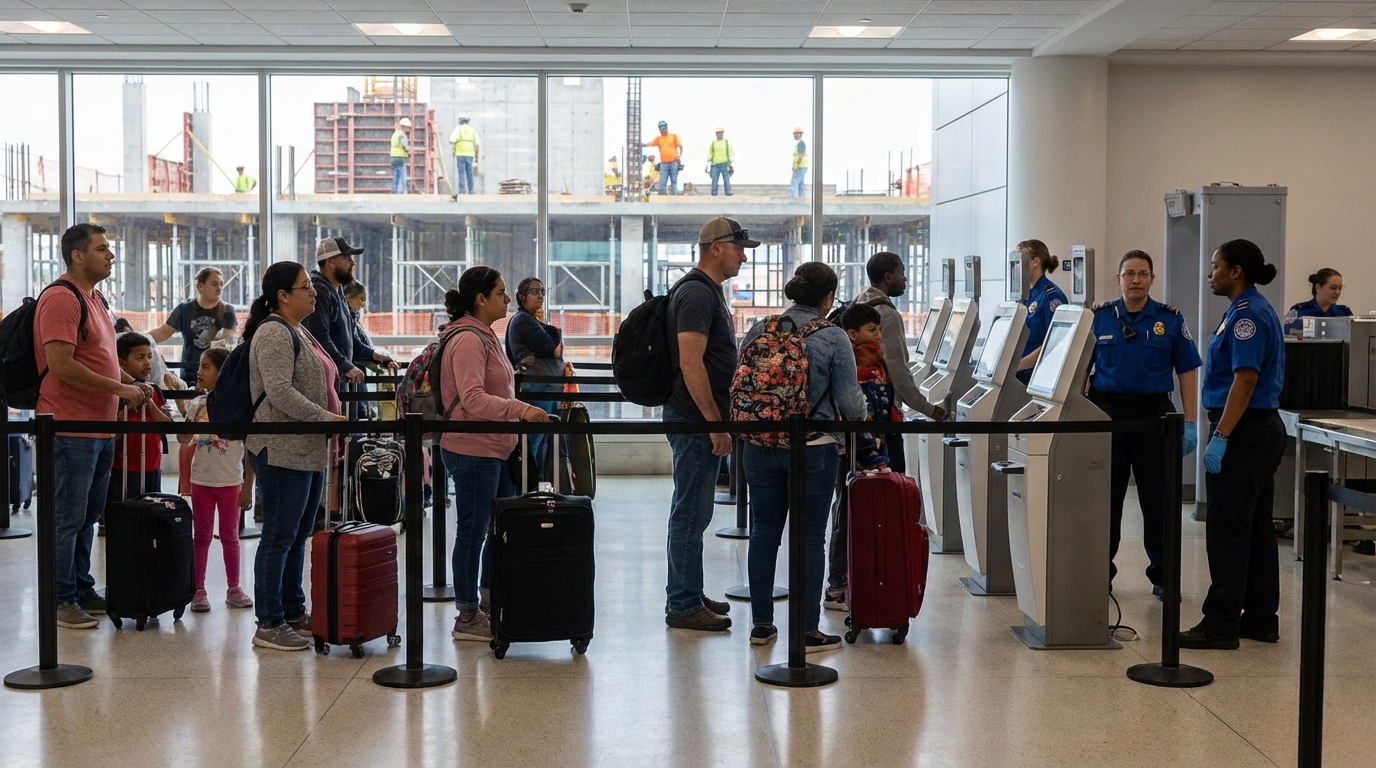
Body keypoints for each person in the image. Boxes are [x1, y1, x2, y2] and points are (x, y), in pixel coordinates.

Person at [739, 263, 867, 652]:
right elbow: (851, 405)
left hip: (759, 446)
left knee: (763, 534)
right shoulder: (833, 336)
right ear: (828, 297)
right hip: (813, 449)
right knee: (810, 538)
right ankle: (807, 631)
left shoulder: (762, 328)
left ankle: (762, 625)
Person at [35, 223, 154, 629]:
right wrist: (120, 387)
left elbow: (101, 358)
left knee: (87, 515)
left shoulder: (97, 298)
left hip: (100, 430)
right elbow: (61, 365)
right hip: (70, 429)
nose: (111, 255)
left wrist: (130, 384)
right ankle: (60, 597)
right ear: (77, 255)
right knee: (66, 518)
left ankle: (81, 587)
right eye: (102, 249)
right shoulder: (60, 298)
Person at [1179, 239, 1286, 650]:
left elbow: (1245, 379)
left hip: (1244, 431)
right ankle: (1260, 617)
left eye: (1215, 266)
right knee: (1256, 527)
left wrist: (1220, 436)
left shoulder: (1248, 316)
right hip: (1257, 429)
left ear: (1236, 271)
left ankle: (1220, 624)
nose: (1210, 274)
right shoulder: (1247, 310)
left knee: (1228, 529)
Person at [438, 267, 551, 642]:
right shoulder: (469, 339)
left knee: (491, 530)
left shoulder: (485, 335)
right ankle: (467, 615)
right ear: (480, 299)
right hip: (472, 451)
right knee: (471, 533)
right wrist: (520, 410)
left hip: (493, 449)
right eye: (500, 293)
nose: (507, 299)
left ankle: (487, 600)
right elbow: (472, 398)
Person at [1087, 250, 1203, 601]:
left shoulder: (1169, 320)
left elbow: (1186, 371)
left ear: (1152, 279)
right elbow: (1080, 370)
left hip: (1155, 418)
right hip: (1108, 416)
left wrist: (1190, 423)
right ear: (1118, 279)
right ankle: (1099, 573)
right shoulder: (1099, 319)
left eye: (1142, 274)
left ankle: (1164, 575)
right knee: (1105, 502)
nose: (1135, 280)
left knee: (1159, 504)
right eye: (1129, 274)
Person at [245, 261, 348, 651]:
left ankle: (292, 610)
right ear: (282, 295)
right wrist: (328, 418)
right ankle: (268, 621)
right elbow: (279, 392)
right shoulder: (273, 332)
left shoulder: (299, 330)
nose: (314, 292)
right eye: (305, 287)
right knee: (278, 536)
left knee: (298, 534)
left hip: (307, 449)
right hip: (282, 450)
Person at [662, 216, 754, 632]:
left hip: (696, 417)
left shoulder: (706, 292)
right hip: (694, 419)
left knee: (695, 511)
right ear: (715, 247)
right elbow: (690, 362)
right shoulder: (697, 295)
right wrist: (714, 423)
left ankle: (690, 592)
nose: (743, 257)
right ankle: (682, 604)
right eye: (739, 248)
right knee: (690, 511)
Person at [823, 302, 898, 611]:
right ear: (851, 334)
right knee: (845, 513)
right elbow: (857, 412)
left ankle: (861, 580)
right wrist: (870, 454)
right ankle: (837, 586)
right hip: (856, 452)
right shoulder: (854, 363)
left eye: (878, 330)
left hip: (872, 448)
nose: (877, 335)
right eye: (870, 330)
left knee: (857, 514)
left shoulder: (874, 360)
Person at [850, 251, 945, 474]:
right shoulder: (887, 314)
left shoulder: (859, 302)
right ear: (888, 277)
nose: (905, 280)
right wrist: (930, 410)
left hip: (859, 413)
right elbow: (897, 369)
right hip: (884, 418)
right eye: (901, 273)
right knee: (891, 481)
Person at [178, 346, 253, 613]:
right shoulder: (197, 405)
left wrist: (248, 487)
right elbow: (183, 440)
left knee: (231, 536)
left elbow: (250, 449)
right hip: (202, 481)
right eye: (200, 367)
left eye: (206, 367)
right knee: (201, 536)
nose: (199, 372)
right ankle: (199, 589)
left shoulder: (239, 409)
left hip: (230, 482)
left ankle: (234, 586)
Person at [304, 237, 396, 389]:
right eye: (347, 258)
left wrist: (376, 356)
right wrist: (346, 366)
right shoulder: (320, 292)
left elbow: (348, 338)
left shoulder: (337, 289)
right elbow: (319, 338)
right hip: (325, 382)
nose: (352, 263)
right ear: (330, 263)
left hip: (337, 379)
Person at [504, 277, 564, 480]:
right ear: (521, 296)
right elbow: (550, 347)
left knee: (540, 442)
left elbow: (553, 347)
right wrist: (555, 333)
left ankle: (535, 486)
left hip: (545, 387)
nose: (540, 296)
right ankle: (526, 488)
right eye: (534, 291)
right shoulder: (523, 320)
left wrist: (552, 337)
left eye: (542, 291)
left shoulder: (531, 320)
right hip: (536, 388)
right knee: (533, 440)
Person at [148, 266, 238, 387]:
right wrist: (140, 338)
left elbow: (229, 339)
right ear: (200, 286)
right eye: (214, 284)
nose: (219, 288)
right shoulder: (185, 309)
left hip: (218, 374)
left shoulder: (228, 311)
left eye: (221, 284)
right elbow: (164, 331)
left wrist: (215, 339)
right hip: (189, 372)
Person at [109, 332, 173, 500]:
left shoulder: (154, 390)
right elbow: (112, 434)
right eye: (140, 358)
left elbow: (166, 425)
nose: (147, 362)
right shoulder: (115, 391)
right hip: (121, 466)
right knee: (121, 508)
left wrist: (148, 401)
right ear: (121, 363)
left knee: (149, 508)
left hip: (151, 465)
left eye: (149, 357)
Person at [1014, 238, 1069, 384]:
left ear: (1035, 262)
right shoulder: (1025, 294)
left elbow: (1055, 341)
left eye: (1020, 261)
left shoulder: (1051, 296)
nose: (1016, 266)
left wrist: (1020, 365)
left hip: (1035, 372)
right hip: (1019, 371)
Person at [1283, 268, 1351, 335]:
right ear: (1318, 287)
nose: (1337, 292)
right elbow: (1286, 336)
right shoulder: (1299, 311)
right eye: (1333, 288)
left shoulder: (1344, 313)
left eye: (1340, 288)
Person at [644, 121, 682, 196]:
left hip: (673, 162)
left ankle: (673, 197)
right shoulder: (659, 139)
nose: (662, 130)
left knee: (674, 181)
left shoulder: (673, 136)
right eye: (661, 129)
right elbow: (650, 143)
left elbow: (680, 147)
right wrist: (642, 145)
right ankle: (661, 196)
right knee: (662, 180)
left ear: (666, 128)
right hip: (664, 164)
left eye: (664, 128)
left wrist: (679, 156)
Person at [449, 116, 480, 195]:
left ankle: (462, 191)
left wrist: (453, 151)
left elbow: (452, 141)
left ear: (460, 122)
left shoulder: (458, 129)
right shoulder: (472, 130)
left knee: (461, 173)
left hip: (460, 154)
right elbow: (477, 144)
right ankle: (471, 191)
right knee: (470, 173)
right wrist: (476, 157)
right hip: (470, 155)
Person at [706, 126, 734, 197]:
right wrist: (708, 163)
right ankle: (714, 193)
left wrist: (730, 162)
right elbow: (710, 153)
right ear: (716, 134)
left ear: (723, 133)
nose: (719, 134)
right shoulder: (713, 143)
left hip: (725, 164)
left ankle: (728, 192)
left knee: (726, 179)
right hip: (715, 165)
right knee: (714, 180)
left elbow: (731, 153)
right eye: (718, 133)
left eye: (720, 133)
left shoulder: (726, 142)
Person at [390, 116, 412, 194]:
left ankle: (394, 192)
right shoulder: (402, 135)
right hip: (400, 158)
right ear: (403, 127)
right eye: (408, 128)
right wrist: (410, 151)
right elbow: (404, 145)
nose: (408, 130)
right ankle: (402, 192)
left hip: (393, 157)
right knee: (403, 176)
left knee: (396, 176)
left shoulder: (395, 134)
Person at [789, 126, 808, 198]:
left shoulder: (800, 143)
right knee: (800, 184)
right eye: (794, 134)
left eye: (796, 134)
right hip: (802, 167)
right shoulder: (798, 143)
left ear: (800, 134)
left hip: (800, 167)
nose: (794, 135)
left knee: (794, 183)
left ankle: (793, 199)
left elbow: (801, 155)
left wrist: (797, 165)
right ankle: (801, 199)